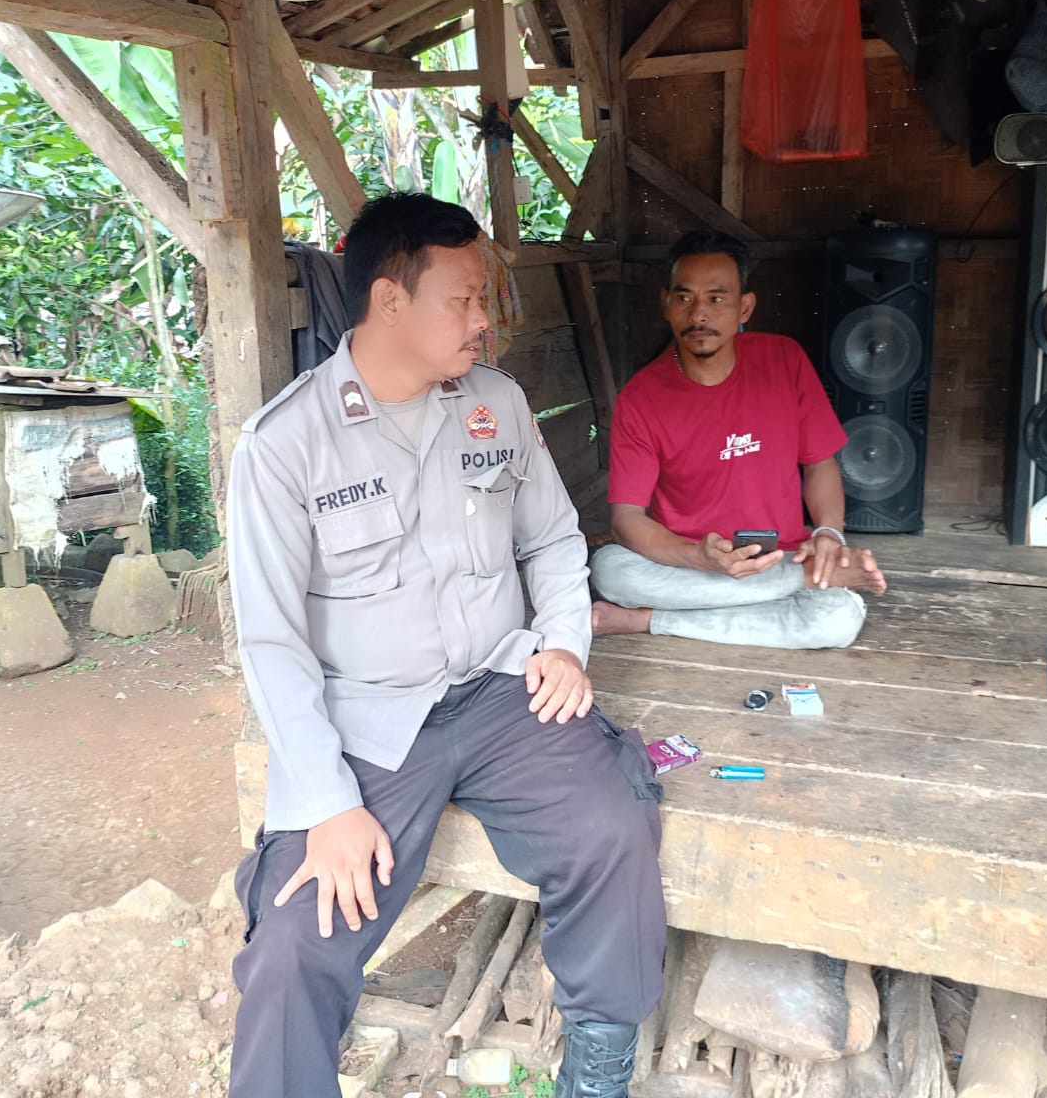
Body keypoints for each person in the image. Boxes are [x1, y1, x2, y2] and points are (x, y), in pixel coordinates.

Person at [225, 193, 666, 1098]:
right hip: (369, 723)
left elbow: (554, 541)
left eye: (483, 300)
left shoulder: (495, 402)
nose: (483, 319)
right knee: (296, 938)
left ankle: (598, 1074)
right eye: (463, 299)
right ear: (390, 300)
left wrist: (564, 645)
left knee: (613, 826)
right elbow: (271, 642)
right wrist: (326, 804)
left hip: (503, 691)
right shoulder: (284, 445)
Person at [591, 230, 887, 649]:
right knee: (610, 571)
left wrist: (828, 535)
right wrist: (698, 557)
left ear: (744, 306)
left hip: (777, 558)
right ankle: (797, 582)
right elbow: (626, 520)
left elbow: (819, 462)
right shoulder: (640, 398)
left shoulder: (784, 360)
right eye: (685, 298)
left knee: (837, 620)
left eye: (717, 298)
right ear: (666, 304)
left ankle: (647, 620)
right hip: (686, 564)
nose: (699, 314)